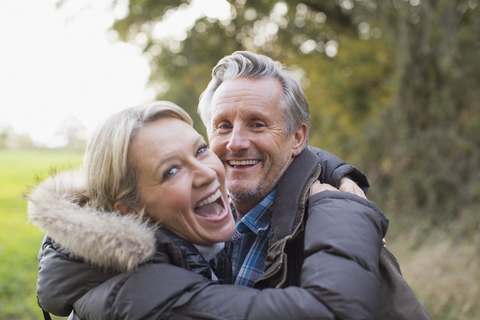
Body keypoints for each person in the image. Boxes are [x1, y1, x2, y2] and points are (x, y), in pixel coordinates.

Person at [28, 101, 388, 319]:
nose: (208, 171)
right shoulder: (144, 295)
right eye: (171, 171)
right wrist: (342, 206)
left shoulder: (170, 245)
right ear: (128, 210)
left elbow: (268, 151)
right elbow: (335, 312)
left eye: (199, 150)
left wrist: (330, 170)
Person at [197, 51, 433, 319]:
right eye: (224, 126)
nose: (235, 142)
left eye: (257, 124)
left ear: (297, 137)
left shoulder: (335, 232)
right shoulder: (195, 224)